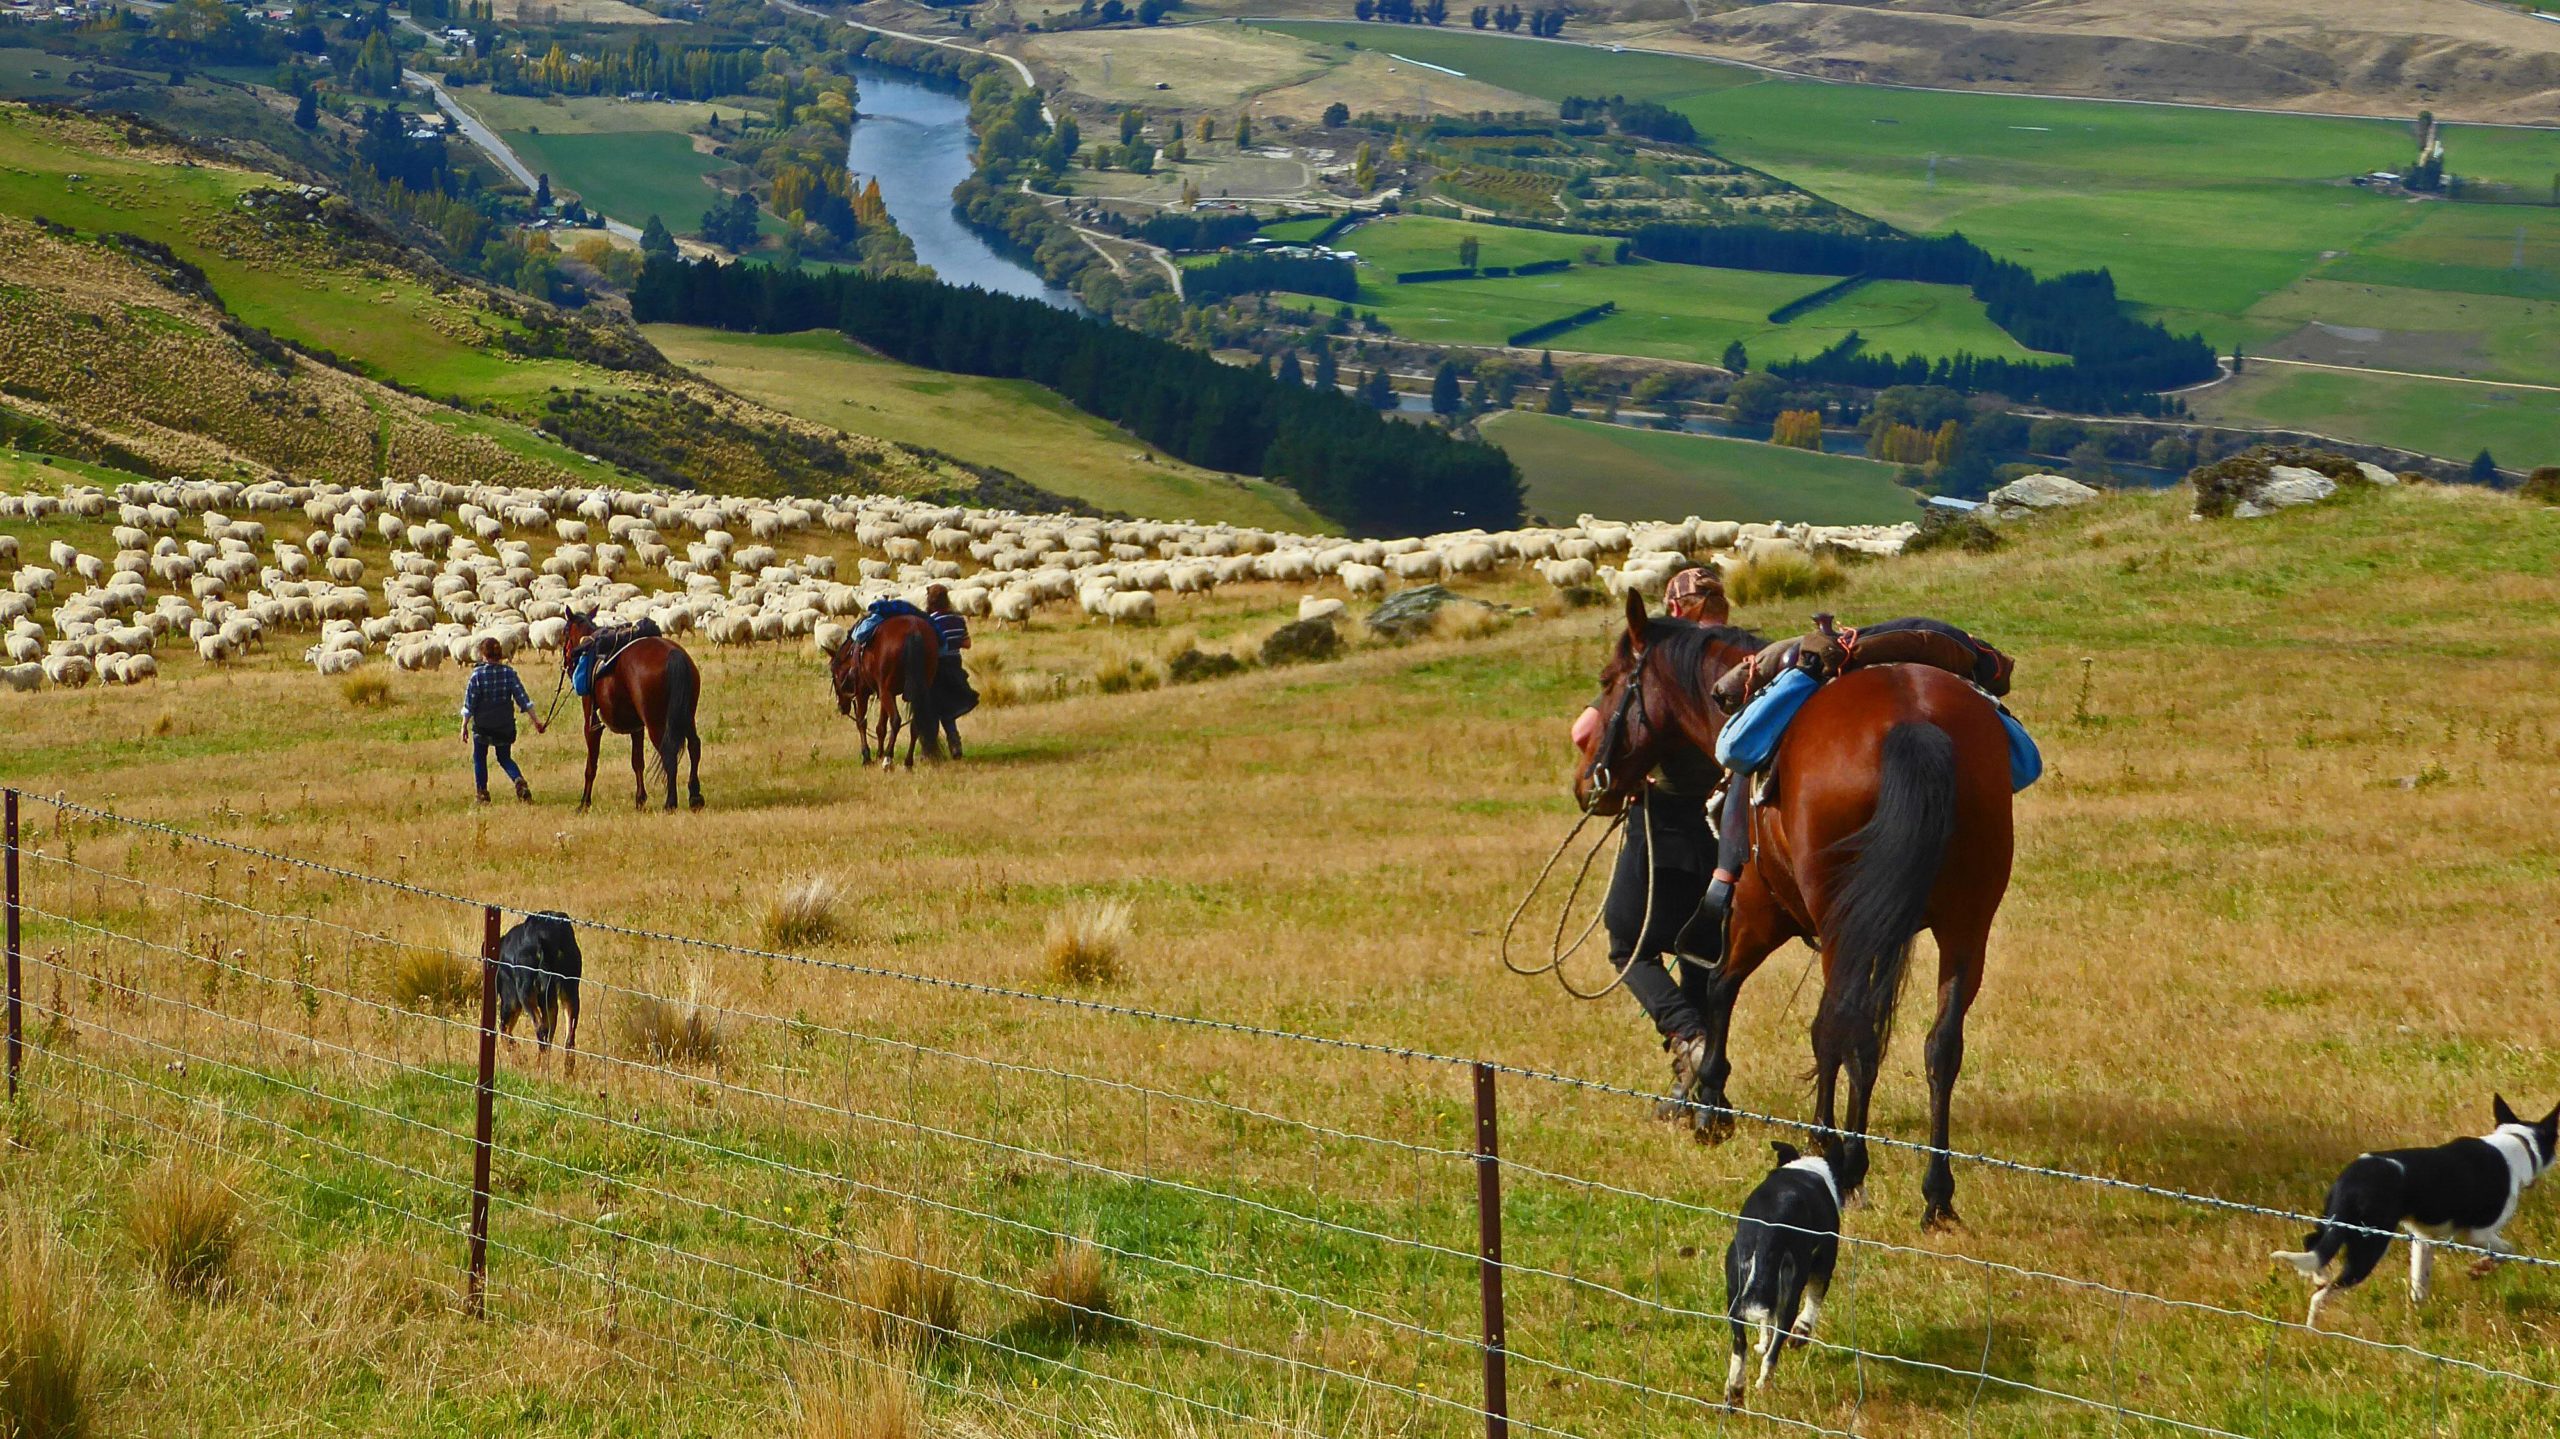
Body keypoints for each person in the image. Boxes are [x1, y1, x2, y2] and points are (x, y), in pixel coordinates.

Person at [1569, 566, 1735, 1120]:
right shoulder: (1738, 661)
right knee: (1698, 959)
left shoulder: (1661, 660)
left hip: (1660, 826)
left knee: (1627, 943)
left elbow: (1582, 732)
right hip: (1724, 834)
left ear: (1677, 609)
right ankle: (1699, 1095)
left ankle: (1687, 1036)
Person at [461, 638, 545, 803]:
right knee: (504, 757)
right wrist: (536, 721)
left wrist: (464, 725)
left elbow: (469, 703)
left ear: (483, 655)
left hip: (483, 726)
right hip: (504, 724)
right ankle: (518, 780)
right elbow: (523, 698)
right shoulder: (509, 673)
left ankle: (482, 794)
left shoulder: (477, 676)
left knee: (479, 757)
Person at [922, 583, 978, 757]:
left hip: (935, 668)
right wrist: (954, 642)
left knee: (931, 708)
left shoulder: (930, 622)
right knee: (947, 708)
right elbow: (967, 644)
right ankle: (955, 743)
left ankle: (929, 750)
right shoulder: (959, 620)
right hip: (954, 666)